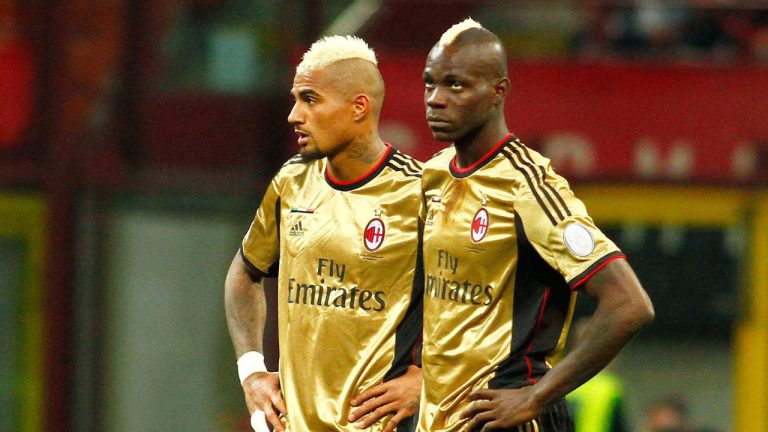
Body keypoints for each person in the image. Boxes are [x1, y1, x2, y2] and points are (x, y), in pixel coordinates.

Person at [418, 19, 655, 432]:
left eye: (455, 85)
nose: (435, 99)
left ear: (498, 91)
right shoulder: (434, 175)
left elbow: (629, 305)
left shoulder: (529, 187)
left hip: (508, 418)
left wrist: (534, 397)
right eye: (429, 83)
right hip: (442, 417)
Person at [224, 35, 423, 432]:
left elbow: (484, 304)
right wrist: (251, 371)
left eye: (310, 99)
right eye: (296, 99)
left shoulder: (422, 194)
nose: (294, 115)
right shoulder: (292, 181)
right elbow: (244, 275)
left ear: (358, 107)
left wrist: (431, 378)